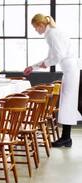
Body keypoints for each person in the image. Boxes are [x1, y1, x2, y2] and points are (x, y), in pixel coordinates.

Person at [24, 13, 82, 147]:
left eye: (35, 27)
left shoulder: (52, 34)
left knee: (68, 103)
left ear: (41, 25)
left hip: (70, 69)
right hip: (70, 69)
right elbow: (51, 57)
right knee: (68, 103)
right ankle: (66, 138)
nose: (35, 30)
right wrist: (33, 67)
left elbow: (58, 55)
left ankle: (66, 138)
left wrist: (48, 63)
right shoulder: (54, 33)